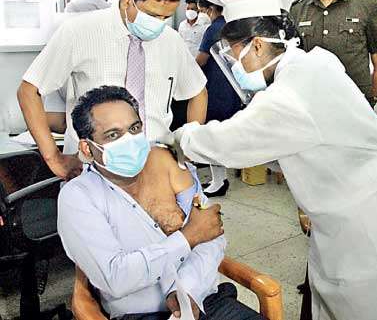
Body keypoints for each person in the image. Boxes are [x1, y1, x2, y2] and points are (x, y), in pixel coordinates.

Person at [174, 0, 377, 320]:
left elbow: (229, 142)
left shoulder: (288, 96)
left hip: (365, 213)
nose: (237, 68)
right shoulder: (315, 62)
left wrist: (178, 138)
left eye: (237, 58)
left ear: (259, 46)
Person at [59, 85, 265, 320]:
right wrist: (187, 238)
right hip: (141, 314)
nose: (130, 140)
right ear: (88, 147)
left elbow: (212, 234)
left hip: (203, 300)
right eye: (113, 135)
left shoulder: (167, 163)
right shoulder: (78, 197)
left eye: (134, 128)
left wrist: (186, 289)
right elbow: (115, 278)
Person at [18, 0, 208, 181]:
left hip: (155, 167)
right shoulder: (79, 31)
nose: (159, 24)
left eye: (166, 17)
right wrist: (53, 157)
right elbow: (29, 89)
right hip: (93, 168)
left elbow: (198, 91)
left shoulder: (171, 41)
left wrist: (187, 148)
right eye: (153, 15)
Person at [193, 0, 241, 197]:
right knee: (221, 134)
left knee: (212, 135)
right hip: (231, 88)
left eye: (201, 9)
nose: (199, 13)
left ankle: (218, 182)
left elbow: (201, 60)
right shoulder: (228, 27)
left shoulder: (213, 29)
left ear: (210, 9)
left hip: (216, 89)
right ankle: (219, 179)